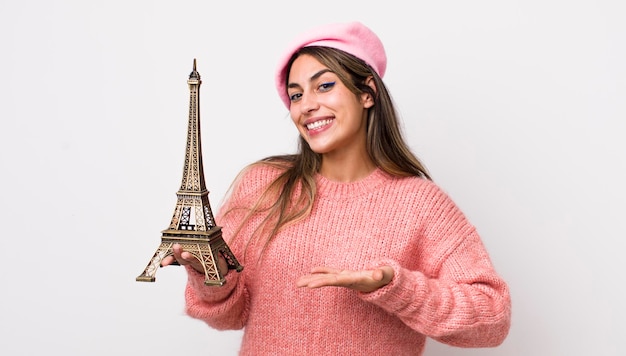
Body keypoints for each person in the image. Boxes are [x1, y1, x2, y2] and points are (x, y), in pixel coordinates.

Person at [162, 21, 511, 355]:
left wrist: (394, 287)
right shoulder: (263, 186)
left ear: (367, 93)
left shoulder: (422, 204)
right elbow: (229, 316)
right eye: (295, 95)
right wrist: (215, 279)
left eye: (324, 85)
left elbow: (493, 319)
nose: (307, 105)